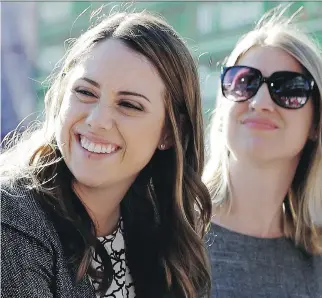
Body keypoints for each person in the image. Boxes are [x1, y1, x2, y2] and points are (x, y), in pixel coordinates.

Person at [1, 11, 212, 298]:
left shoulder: (163, 234)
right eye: (86, 92)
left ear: (168, 133)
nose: (97, 120)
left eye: (129, 105)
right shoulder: (12, 217)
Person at [203, 5, 322, 297]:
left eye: (289, 89)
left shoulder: (316, 257)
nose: (260, 101)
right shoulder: (168, 230)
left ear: (316, 124)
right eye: (244, 82)